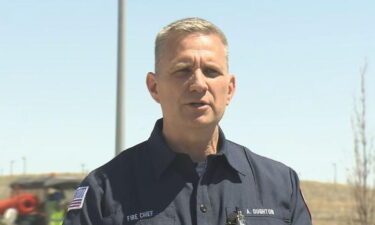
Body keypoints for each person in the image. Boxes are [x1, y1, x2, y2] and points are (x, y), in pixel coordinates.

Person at [63, 17, 312, 225]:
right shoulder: (104, 192)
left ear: (230, 89)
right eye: (183, 70)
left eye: (211, 71)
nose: (198, 84)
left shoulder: (279, 185)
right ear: (154, 87)